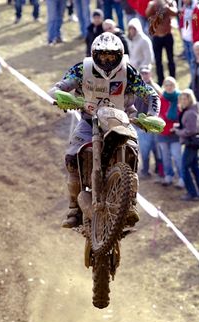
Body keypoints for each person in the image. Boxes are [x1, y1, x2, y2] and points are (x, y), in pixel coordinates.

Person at [49, 32, 160, 228]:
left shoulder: (129, 72)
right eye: (102, 56)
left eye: (111, 56)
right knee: (71, 159)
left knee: (132, 152)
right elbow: (60, 86)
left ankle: (130, 202)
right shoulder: (83, 69)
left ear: (119, 55)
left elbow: (149, 93)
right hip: (88, 120)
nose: (107, 60)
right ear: (94, 55)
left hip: (121, 120)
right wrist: (60, 96)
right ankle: (74, 207)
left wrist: (152, 114)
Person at [173, 89, 199, 201]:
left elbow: (191, 130)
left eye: (185, 99)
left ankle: (192, 192)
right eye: (182, 99)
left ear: (190, 99)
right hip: (190, 143)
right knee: (194, 167)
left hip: (191, 144)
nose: (183, 101)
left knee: (184, 168)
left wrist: (177, 131)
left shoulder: (191, 112)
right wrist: (179, 127)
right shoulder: (189, 110)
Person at [157, 77, 183, 187]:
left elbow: (181, 115)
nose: (169, 87)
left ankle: (182, 177)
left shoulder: (180, 98)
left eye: (171, 85)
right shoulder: (161, 99)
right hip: (163, 132)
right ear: (164, 86)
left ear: (175, 86)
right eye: (166, 85)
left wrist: (172, 121)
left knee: (177, 156)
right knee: (165, 156)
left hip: (175, 132)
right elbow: (158, 114)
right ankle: (169, 175)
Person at [146, 0, 177, 85]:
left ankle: (172, 79)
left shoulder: (169, 2)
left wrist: (167, 8)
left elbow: (175, 13)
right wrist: (154, 6)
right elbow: (147, 14)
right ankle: (160, 81)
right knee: (158, 60)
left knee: (170, 59)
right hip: (156, 37)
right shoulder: (152, 4)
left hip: (167, 35)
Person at [179, 0, 199, 83]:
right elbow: (181, 21)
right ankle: (193, 80)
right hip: (186, 39)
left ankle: (196, 81)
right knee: (190, 62)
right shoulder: (184, 7)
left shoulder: (198, 9)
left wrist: (197, 41)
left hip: (193, 40)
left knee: (195, 63)